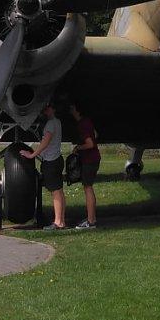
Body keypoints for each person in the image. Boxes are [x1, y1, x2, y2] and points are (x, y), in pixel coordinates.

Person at [21, 106, 68, 229]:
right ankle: (61, 220)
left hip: (51, 161)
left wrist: (32, 155)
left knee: (55, 192)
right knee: (59, 191)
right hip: (57, 159)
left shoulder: (51, 124)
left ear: (53, 109)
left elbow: (45, 142)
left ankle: (58, 222)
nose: (45, 110)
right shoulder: (57, 122)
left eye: (48, 108)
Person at [68, 98, 103, 229]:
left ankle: (91, 221)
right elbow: (95, 134)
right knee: (88, 187)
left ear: (77, 110)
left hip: (89, 159)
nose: (70, 109)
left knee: (88, 188)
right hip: (93, 158)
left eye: (72, 107)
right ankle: (91, 216)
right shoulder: (87, 121)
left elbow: (90, 143)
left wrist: (78, 148)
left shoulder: (82, 124)